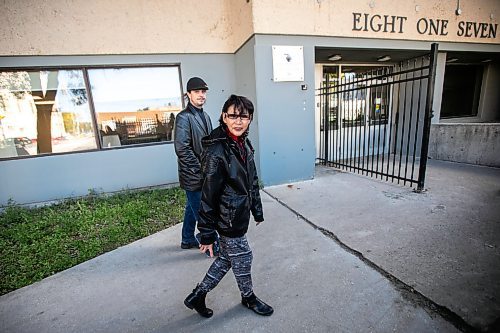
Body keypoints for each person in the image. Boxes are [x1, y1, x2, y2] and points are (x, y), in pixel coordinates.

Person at [184, 94, 273, 318]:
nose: (238, 121)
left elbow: (251, 181)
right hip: (228, 218)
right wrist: (205, 233)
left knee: (226, 258)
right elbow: (208, 194)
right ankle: (248, 297)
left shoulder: (244, 143)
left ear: (250, 118)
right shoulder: (217, 151)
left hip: (240, 213)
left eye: (243, 116)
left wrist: (257, 210)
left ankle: (197, 295)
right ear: (224, 117)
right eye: (232, 115)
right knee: (243, 257)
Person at [174, 77, 213, 249]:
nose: (201, 95)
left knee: (192, 207)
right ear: (189, 94)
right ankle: (212, 244)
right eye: (197, 91)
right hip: (193, 175)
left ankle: (187, 238)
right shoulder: (183, 117)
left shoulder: (205, 116)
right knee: (203, 213)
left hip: (206, 173)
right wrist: (201, 170)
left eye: (203, 91)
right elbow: (182, 149)